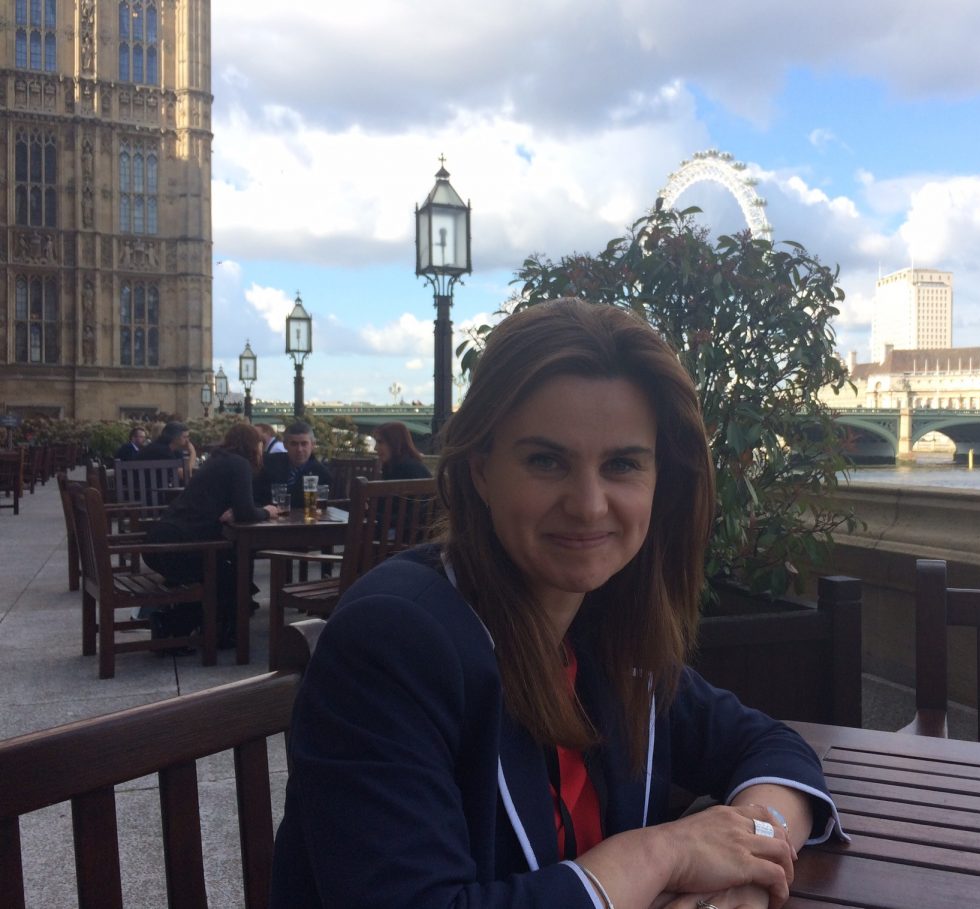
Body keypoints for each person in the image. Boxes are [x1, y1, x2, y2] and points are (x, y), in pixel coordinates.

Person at [270, 299, 847, 909]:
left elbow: (772, 747)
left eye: (622, 464)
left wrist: (751, 860)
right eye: (546, 461)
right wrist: (661, 852)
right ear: (482, 471)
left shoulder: (601, 626)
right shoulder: (394, 639)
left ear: (660, 483)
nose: (589, 504)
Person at [142, 423, 278, 649]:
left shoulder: (218, 460)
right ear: (254, 445)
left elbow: (228, 505)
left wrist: (234, 511)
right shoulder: (240, 464)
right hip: (177, 549)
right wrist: (268, 511)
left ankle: (192, 627)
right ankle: (184, 628)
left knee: (228, 568)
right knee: (231, 573)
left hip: (160, 541)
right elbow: (246, 512)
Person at [254, 421, 331, 508]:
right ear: (285, 445)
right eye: (294, 444)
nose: (299, 449)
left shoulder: (321, 473)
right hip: (270, 518)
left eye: (304, 444)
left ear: (313, 445)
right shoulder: (269, 464)